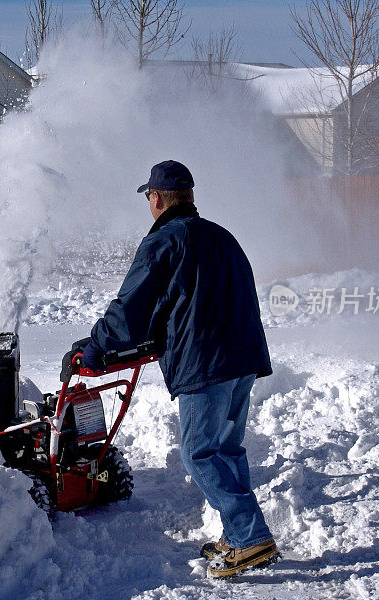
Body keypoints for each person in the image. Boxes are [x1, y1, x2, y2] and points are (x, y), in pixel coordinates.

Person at [80, 160, 278, 578]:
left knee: (199, 453)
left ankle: (250, 537)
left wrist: (97, 345)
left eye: (149, 197)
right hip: (242, 358)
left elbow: (130, 309)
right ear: (188, 197)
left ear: (155, 199)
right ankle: (239, 532)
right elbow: (190, 301)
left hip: (204, 365)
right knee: (227, 448)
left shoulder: (163, 242)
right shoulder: (222, 237)